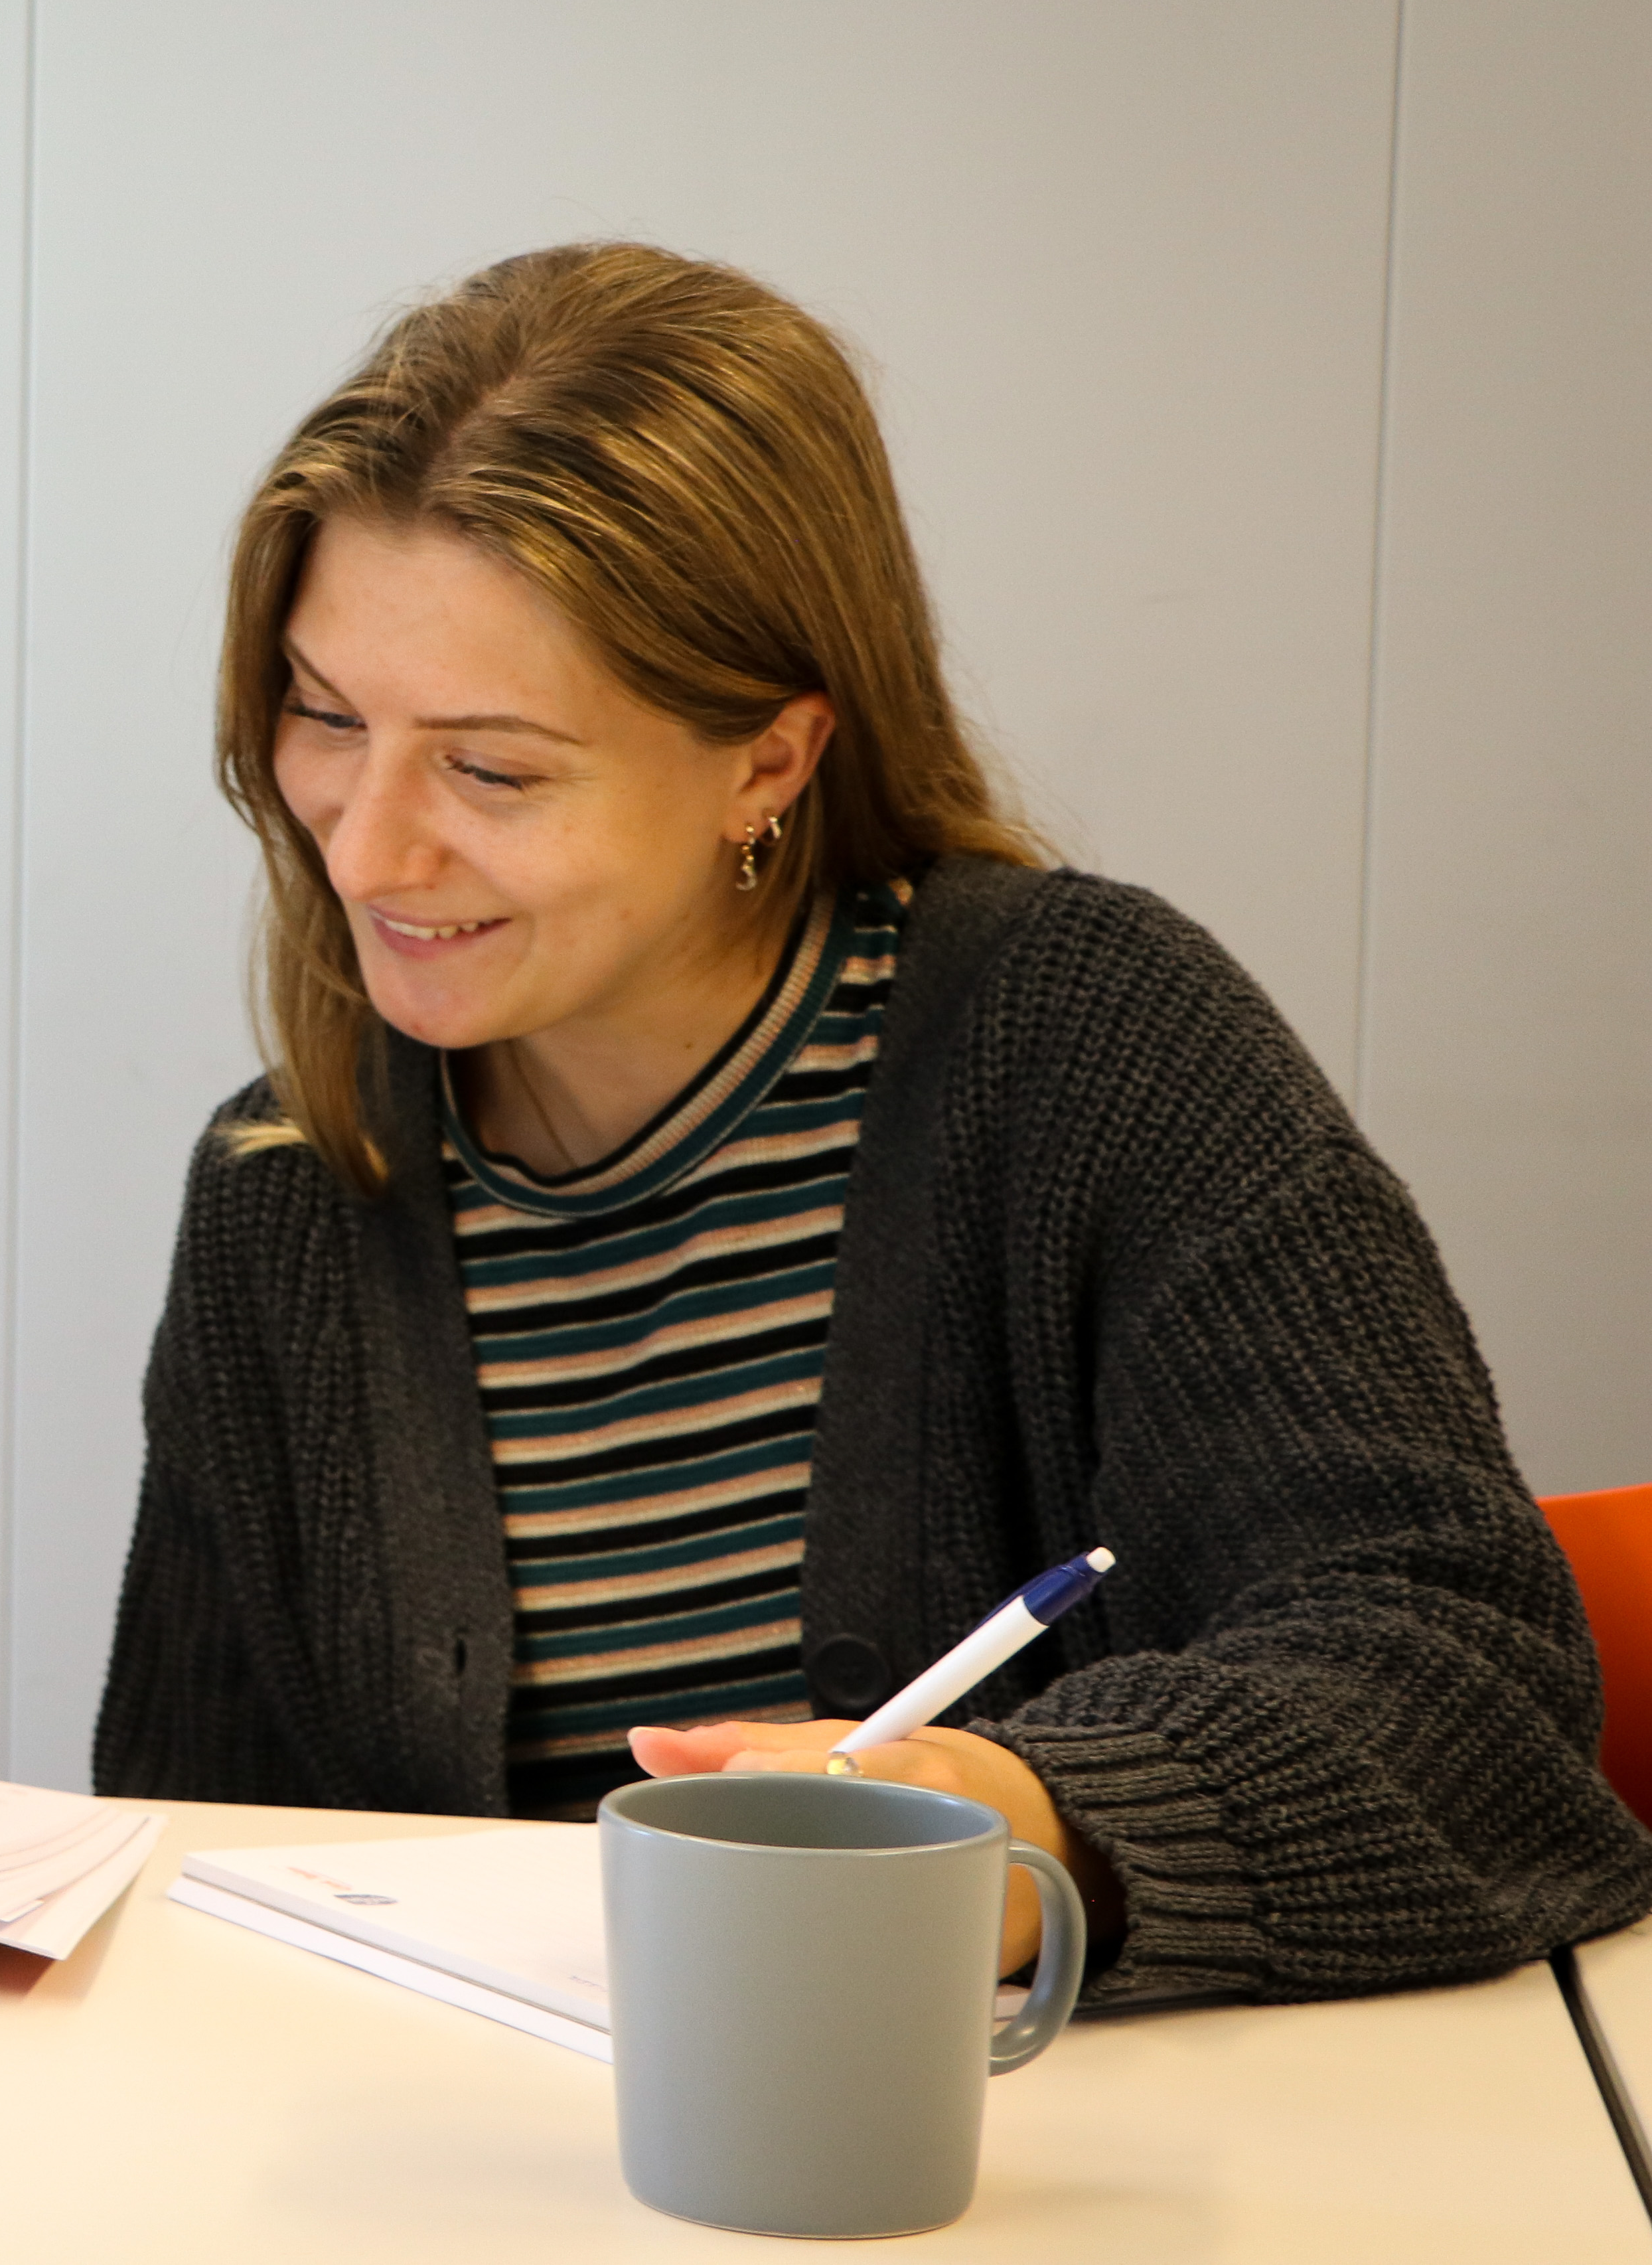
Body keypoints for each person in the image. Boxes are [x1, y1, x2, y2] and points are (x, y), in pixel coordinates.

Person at [94, 240, 1652, 2004]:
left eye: (493, 769)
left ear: (765, 762)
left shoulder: (1088, 1045)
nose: (363, 846)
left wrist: (1037, 1823)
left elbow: (1462, 1676)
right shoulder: (288, 1191)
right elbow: (187, 1846)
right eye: (322, 717)